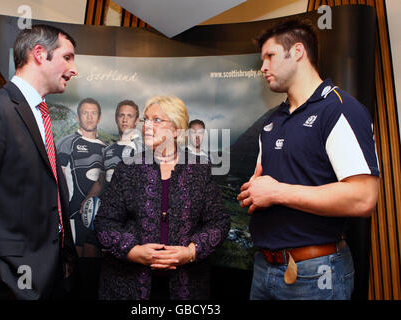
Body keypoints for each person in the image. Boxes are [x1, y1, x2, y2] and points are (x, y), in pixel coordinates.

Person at [237, 19, 380, 300]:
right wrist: (255, 191)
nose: (263, 67)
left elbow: (364, 198)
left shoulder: (339, 109)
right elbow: (267, 183)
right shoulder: (272, 121)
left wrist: (277, 192)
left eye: (270, 56)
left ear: (298, 52)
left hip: (316, 273)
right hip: (264, 268)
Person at [0, 24, 78, 300]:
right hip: (8, 284)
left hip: (48, 276)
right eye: (67, 57)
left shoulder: (39, 114)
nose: (73, 69)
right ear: (40, 54)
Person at [94, 95, 230, 300]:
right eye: (145, 120)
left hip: (187, 287)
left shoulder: (200, 170)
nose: (147, 125)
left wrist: (190, 253)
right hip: (128, 285)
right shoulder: (128, 168)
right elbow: (104, 222)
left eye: (157, 120)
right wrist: (133, 251)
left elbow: (219, 223)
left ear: (176, 130)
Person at [56, 98, 106, 258]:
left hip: (97, 214)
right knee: (74, 263)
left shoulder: (106, 147)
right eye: (85, 113)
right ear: (78, 117)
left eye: (93, 113)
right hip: (73, 212)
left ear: (99, 118)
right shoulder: (66, 143)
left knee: (93, 267)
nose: (89, 117)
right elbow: (58, 179)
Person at [83, 99, 142, 201]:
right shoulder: (107, 151)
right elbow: (100, 183)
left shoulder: (144, 150)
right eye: (121, 115)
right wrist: (87, 200)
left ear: (136, 121)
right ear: (116, 119)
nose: (125, 120)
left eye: (129, 116)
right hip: (110, 212)